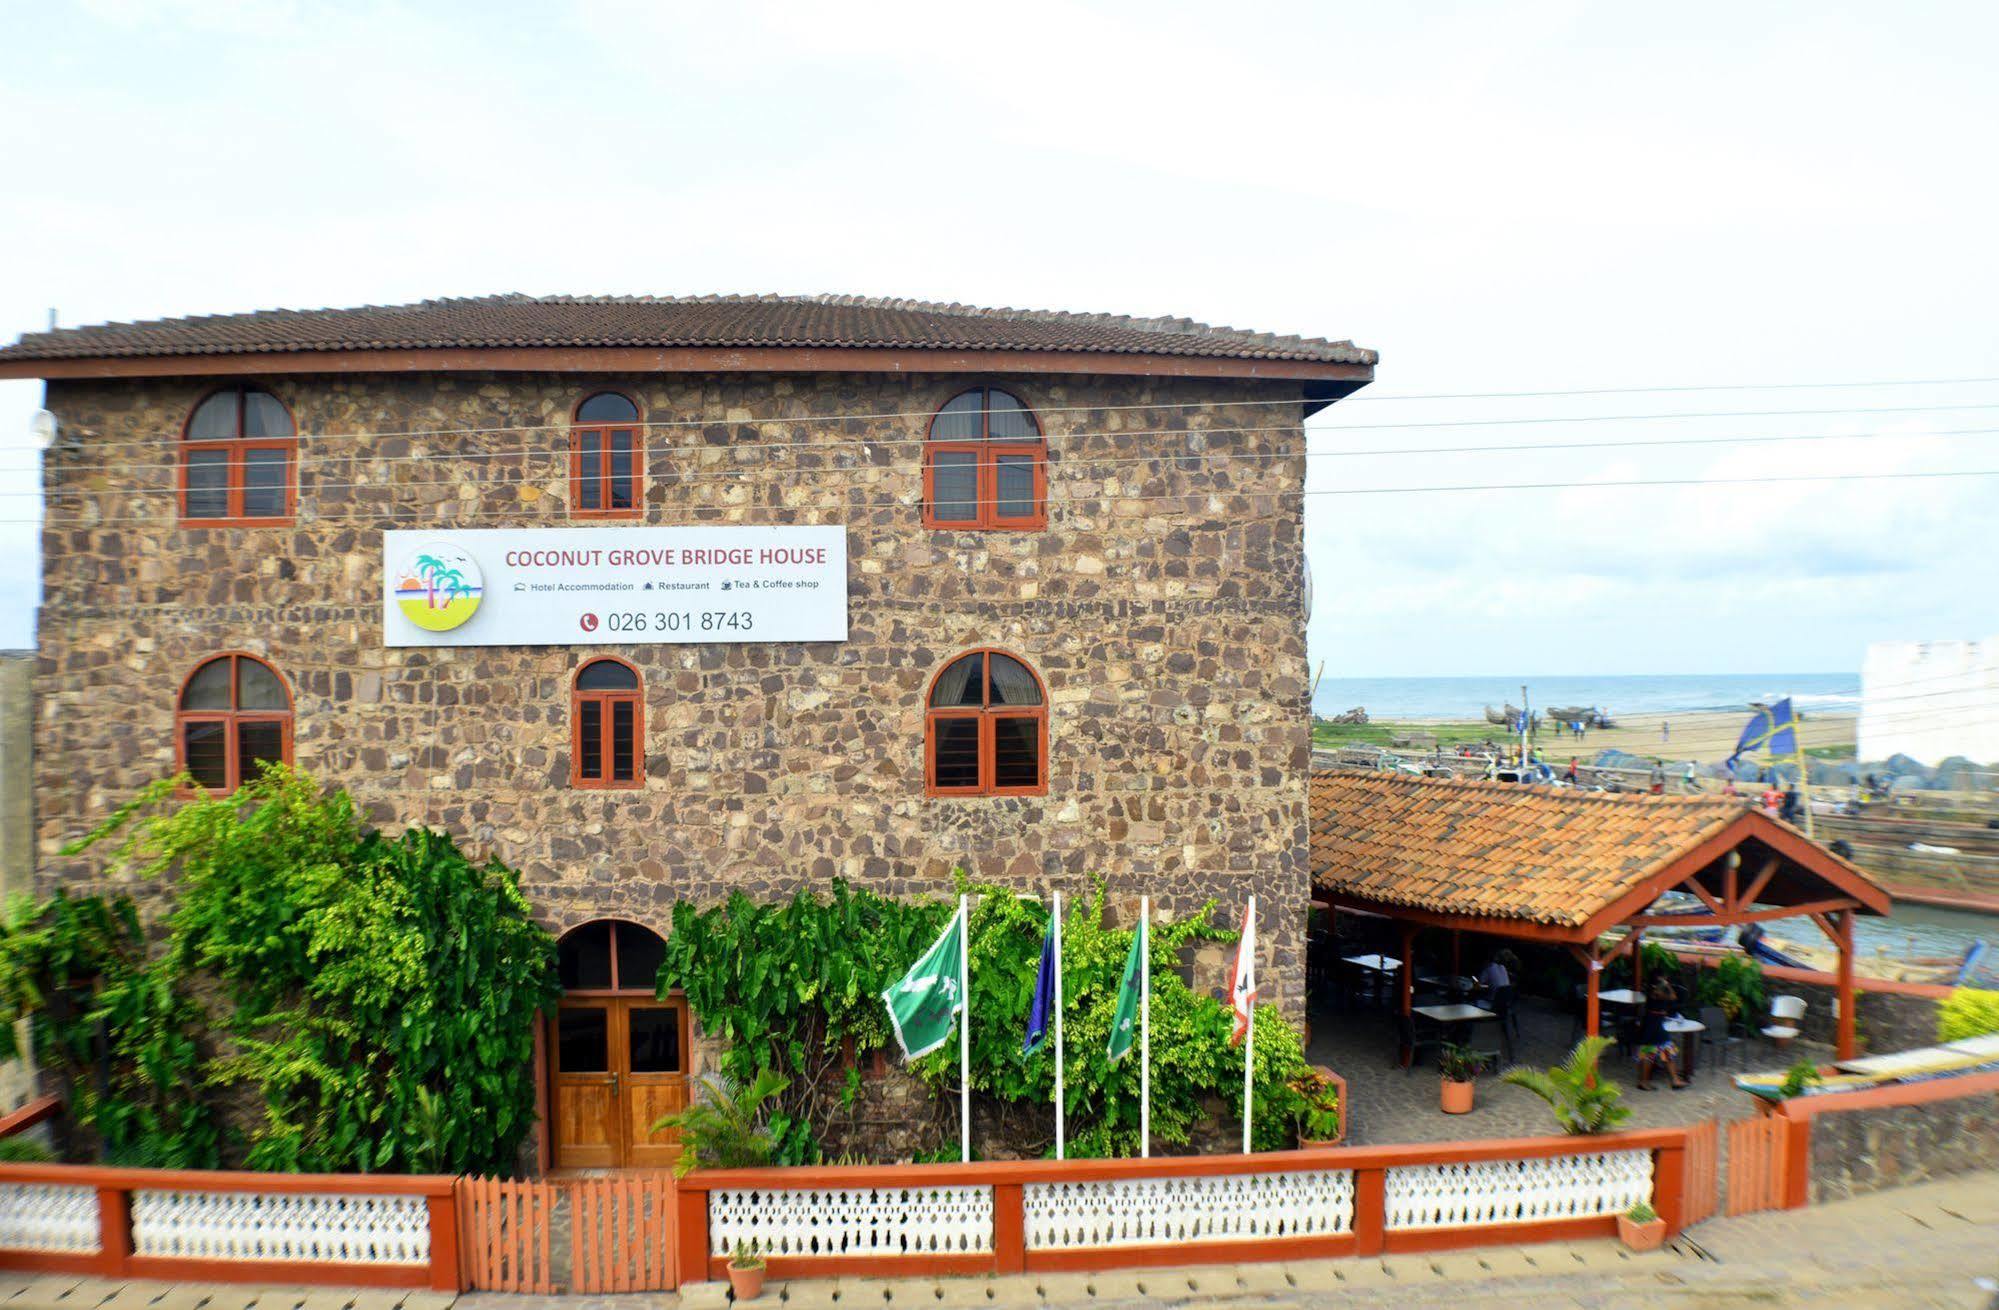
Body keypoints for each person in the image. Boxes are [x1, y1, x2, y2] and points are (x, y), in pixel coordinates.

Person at [1635, 977, 1689, 1090]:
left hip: (1653, 1024)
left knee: (1662, 1050)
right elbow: (1671, 996)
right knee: (1651, 1052)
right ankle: (1645, 1082)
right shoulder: (1655, 993)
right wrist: (1666, 985)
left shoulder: (1654, 992)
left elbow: (1673, 997)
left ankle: (1673, 1080)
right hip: (1653, 1025)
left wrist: (1666, 985)